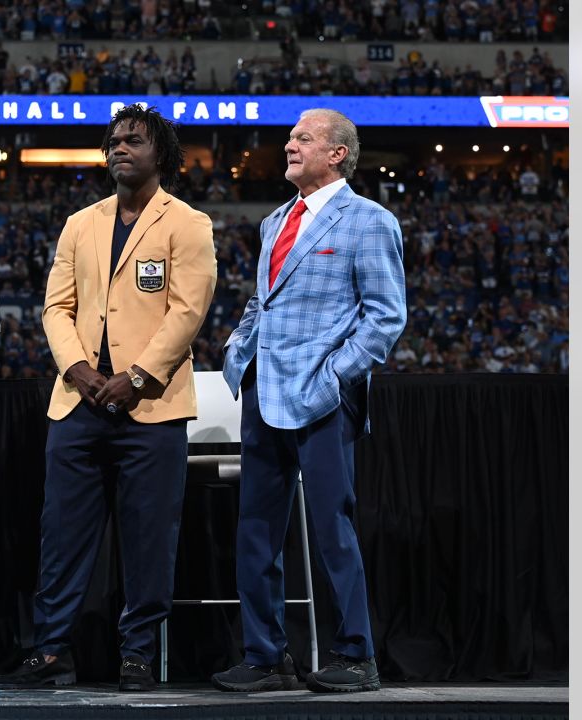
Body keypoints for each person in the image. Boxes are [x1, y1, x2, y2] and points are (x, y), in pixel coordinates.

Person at [0, 105, 216, 692]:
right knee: (62, 535)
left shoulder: (189, 223)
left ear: (161, 156)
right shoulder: (79, 223)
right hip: (79, 403)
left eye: (134, 141)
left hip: (152, 409)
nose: (119, 148)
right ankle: (51, 652)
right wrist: (80, 370)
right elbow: (55, 308)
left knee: (148, 538)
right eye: (114, 141)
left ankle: (138, 652)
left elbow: (187, 312)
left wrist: (138, 375)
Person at [214, 108, 406, 693]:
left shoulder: (369, 221)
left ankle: (356, 655)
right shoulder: (276, 221)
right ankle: (266, 656)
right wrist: (238, 353)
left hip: (323, 400)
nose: (289, 145)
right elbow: (263, 301)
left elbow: (385, 318)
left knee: (332, 526)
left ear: (337, 153)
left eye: (303, 138)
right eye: (291, 137)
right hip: (263, 393)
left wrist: (333, 379)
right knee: (255, 529)